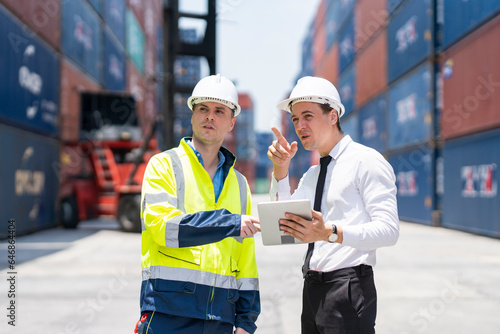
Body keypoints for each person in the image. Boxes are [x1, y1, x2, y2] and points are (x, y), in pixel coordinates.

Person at [267, 76, 399, 334]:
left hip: (348, 289)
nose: (299, 125)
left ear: (333, 116)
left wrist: (331, 232)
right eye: (295, 119)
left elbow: (389, 230)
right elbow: (281, 223)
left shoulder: (366, 162)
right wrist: (280, 170)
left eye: (307, 116)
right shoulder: (313, 174)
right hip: (312, 288)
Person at [136, 74, 260, 334]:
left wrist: (246, 321)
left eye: (219, 111)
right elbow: (163, 227)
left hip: (221, 318)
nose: (209, 117)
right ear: (192, 115)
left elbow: (245, 258)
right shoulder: (164, 166)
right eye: (203, 109)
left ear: (231, 123)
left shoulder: (239, 184)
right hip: (168, 312)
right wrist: (230, 222)